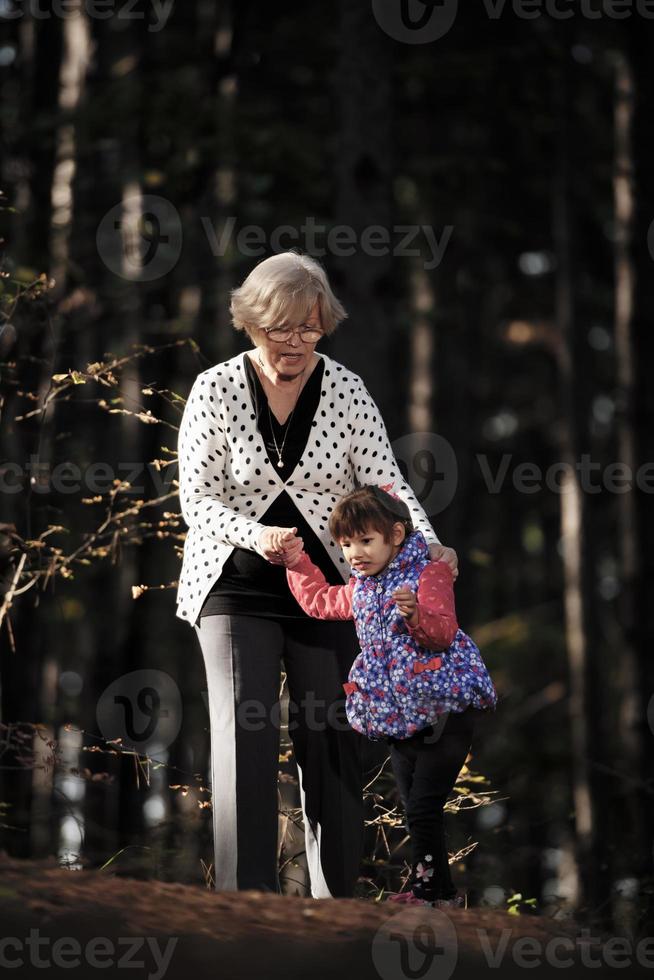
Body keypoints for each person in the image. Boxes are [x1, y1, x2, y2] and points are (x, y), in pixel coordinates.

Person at [176, 250, 459, 898]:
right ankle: (244, 905)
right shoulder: (216, 389)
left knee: (331, 737)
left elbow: (384, 482)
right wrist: (258, 535)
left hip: (332, 590)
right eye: (281, 327)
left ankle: (336, 909)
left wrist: (429, 544)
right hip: (234, 585)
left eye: (309, 327)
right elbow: (198, 499)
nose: (296, 341)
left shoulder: (346, 389)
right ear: (252, 322)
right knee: (244, 729)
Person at [284, 483, 498, 907]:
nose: (355, 553)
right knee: (417, 809)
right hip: (398, 717)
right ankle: (441, 893)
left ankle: (425, 890)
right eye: (346, 545)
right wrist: (296, 560)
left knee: (423, 806)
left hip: (445, 709)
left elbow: (443, 633)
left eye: (366, 541)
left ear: (396, 535)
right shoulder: (361, 588)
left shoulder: (428, 572)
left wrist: (416, 614)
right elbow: (319, 601)